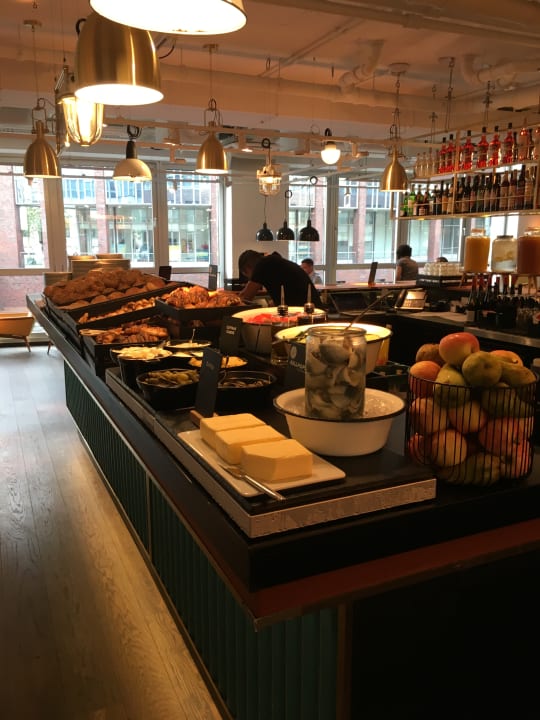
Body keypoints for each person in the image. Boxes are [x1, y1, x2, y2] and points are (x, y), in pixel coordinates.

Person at [237, 250, 323, 308]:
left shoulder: (262, 265)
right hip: (312, 308)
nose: (249, 279)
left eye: (247, 275)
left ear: (247, 268)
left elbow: (245, 298)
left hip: (307, 311)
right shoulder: (272, 262)